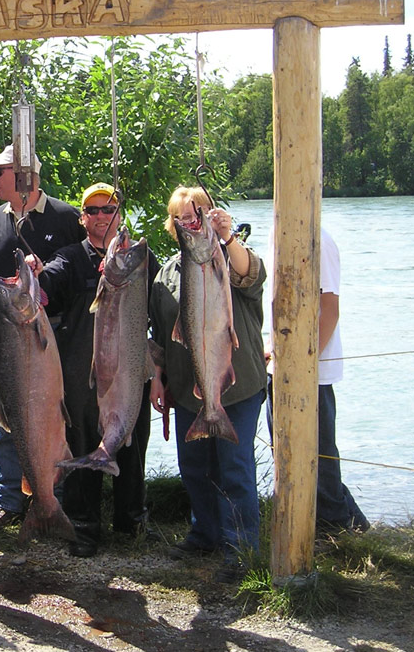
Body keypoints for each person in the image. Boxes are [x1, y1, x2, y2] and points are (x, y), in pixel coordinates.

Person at [148, 186, 267, 582]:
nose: (191, 220)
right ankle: (206, 533)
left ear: (212, 215)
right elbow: (161, 333)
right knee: (195, 467)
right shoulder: (166, 272)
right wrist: (157, 378)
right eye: (183, 216)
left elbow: (251, 275)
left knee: (235, 467)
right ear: (174, 225)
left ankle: (242, 546)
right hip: (186, 388)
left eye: (198, 212)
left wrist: (229, 236)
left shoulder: (226, 255)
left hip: (238, 383)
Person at [36, 183, 160, 557]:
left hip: (130, 373)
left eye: (109, 209)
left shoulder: (139, 256)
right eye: (94, 211)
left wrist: (160, 371)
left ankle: (131, 522)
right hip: (81, 377)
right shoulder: (70, 258)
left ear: (119, 214)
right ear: (83, 218)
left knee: (132, 447)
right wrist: (35, 272)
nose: (102, 216)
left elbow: (161, 308)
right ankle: (84, 527)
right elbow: (48, 283)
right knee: (84, 449)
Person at [0, 144, 83, 530]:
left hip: (53, 342)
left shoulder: (67, 217)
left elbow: (82, 271)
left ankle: (56, 500)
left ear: (24, 177)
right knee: (8, 419)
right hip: (6, 342)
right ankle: (10, 501)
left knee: (55, 420)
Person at [266, 227, 369, 536]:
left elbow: (330, 308)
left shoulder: (320, 240)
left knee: (319, 455)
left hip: (313, 374)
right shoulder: (276, 235)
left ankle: (335, 529)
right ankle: (318, 524)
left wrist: (305, 363)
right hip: (278, 369)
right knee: (284, 452)